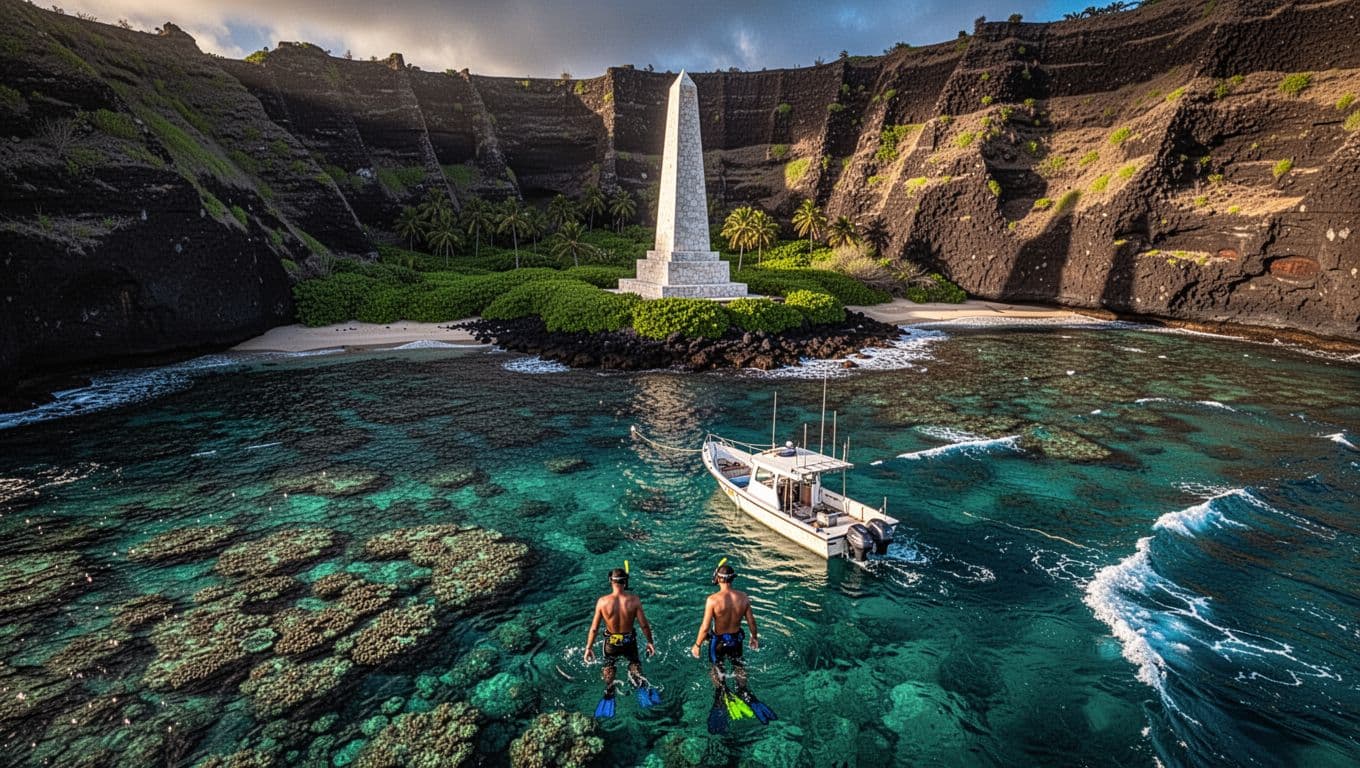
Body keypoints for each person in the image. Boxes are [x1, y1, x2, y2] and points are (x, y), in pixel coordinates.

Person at [689, 558, 777, 733]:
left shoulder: (713, 600)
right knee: (738, 665)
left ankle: (721, 693)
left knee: (716, 666)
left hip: (719, 642)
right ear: (732, 579)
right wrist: (754, 637)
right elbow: (751, 620)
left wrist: (697, 644)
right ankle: (744, 692)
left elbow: (705, 626)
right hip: (736, 640)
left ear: (718, 579)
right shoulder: (743, 597)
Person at [584, 561, 659, 717]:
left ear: (610, 581)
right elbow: (644, 625)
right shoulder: (634, 600)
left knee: (609, 665)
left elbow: (594, 628)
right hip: (629, 642)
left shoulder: (603, 602)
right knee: (634, 664)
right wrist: (650, 642)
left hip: (611, 643)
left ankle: (610, 690)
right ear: (625, 582)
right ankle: (640, 686)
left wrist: (588, 648)